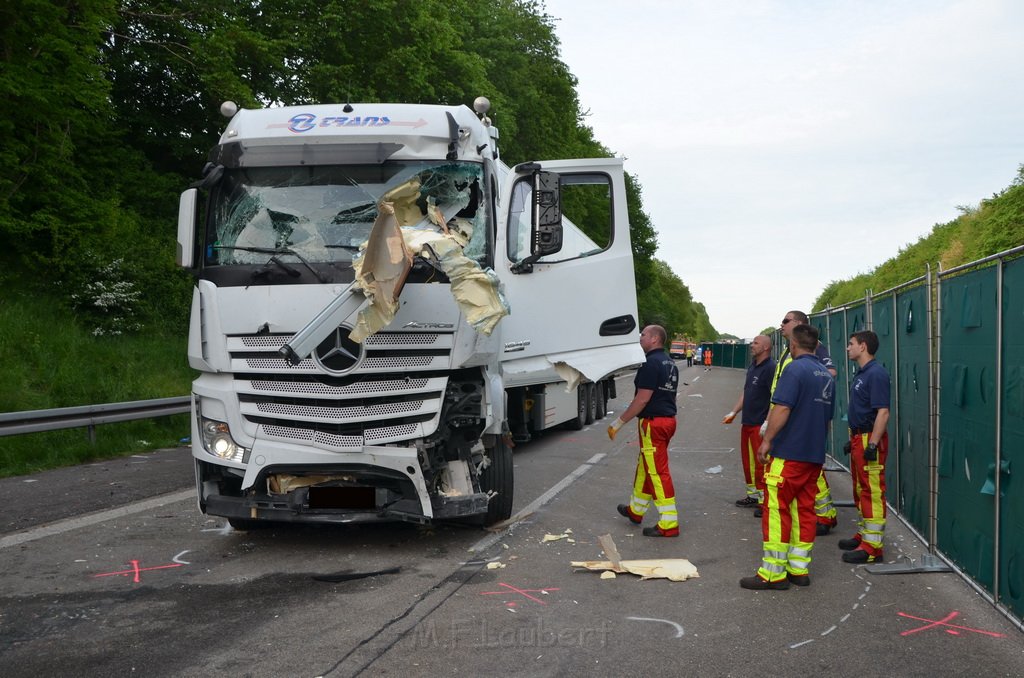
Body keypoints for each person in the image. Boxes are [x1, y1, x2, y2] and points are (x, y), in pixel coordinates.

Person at [741, 323, 834, 589]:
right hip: (812, 456)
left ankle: (772, 574)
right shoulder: (825, 375)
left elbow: (782, 408)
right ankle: (798, 569)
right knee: (804, 510)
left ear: (793, 345)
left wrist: (767, 440)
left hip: (789, 454)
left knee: (776, 510)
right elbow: (826, 419)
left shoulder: (794, 369)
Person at [768, 310, 838, 534]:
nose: (782, 325)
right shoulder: (788, 351)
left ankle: (826, 514)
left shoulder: (811, 347)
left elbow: (830, 372)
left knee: (802, 477)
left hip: (796, 420)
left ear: (798, 324)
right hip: (784, 412)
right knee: (802, 488)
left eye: (786, 321)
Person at [607, 325, 681, 537]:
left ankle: (669, 523)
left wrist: (618, 423)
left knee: (657, 472)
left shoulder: (650, 364)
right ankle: (636, 510)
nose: (640, 337)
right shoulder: (669, 363)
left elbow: (642, 399)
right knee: (645, 467)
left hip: (653, 423)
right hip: (666, 421)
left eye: (644, 334)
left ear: (655, 339)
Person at [839, 330, 891, 564]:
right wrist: (854, 441)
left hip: (869, 438)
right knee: (860, 489)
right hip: (860, 437)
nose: (847, 348)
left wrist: (872, 444)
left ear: (863, 346)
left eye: (851, 344)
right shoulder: (863, 374)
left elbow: (883, 412)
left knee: (872, 491)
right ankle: (864, 535)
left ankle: (872, 548)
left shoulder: (876, 374)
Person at [723, 335, 775, 509]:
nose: (752, 346)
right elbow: (747, 393)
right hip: (748, 422)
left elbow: (774, 398)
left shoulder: (770, 368)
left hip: (759, 424)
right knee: (748, 463)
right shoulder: (753, 367)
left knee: (760, 463)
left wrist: (767, 422)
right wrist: (734, 412)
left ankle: (764, 500)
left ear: (766, 347)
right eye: (752, 342)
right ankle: (753, 495)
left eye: (756, 343)